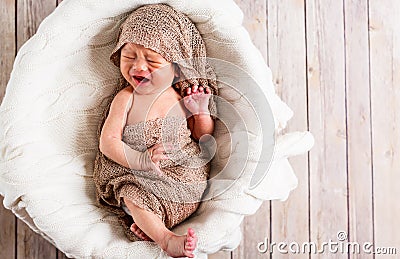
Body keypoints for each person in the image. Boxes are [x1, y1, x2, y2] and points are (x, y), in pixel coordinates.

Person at [93, 4, 218, 258]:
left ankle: (150, 225)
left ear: (175, 66)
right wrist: (140, 160)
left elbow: (201, 135)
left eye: (151, 60)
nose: (138, 67)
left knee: (189, 179)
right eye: (129, 57)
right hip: (140, 177)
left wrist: (201, 113)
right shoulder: (125, 98)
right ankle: (164, 236)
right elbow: (108, 141)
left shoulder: (179, 97)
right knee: (131, 194)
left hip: (183, 178)